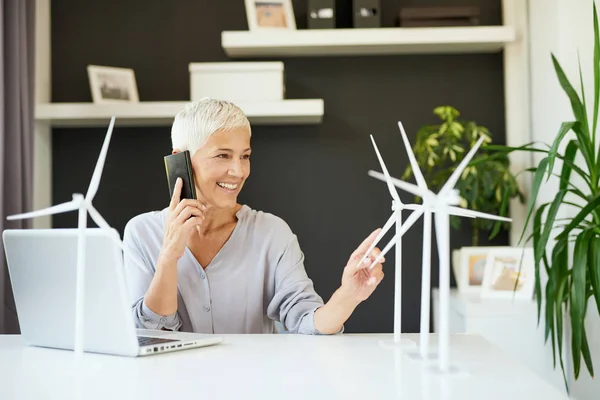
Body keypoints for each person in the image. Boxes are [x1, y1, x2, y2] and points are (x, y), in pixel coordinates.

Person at [123, 98, 385, 335]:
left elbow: (306, 323)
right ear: (181, 160)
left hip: (255, 385)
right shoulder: (142, 233)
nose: (238, 171)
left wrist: (349, 295)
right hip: (170, 384)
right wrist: (169, 255)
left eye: (245, 156)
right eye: (223, 155)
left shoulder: (272, 233)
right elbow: (148, 334)